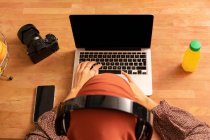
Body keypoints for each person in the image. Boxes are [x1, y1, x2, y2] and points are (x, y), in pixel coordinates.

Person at [26, 61, 210, 140]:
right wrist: (147, 102)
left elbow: (41, 135)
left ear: (66, 129)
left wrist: (74, 92)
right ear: (140, 132)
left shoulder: (61, 125)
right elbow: (202, 132)